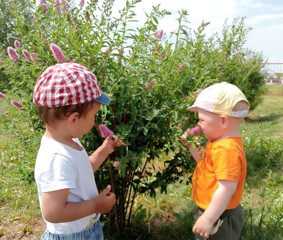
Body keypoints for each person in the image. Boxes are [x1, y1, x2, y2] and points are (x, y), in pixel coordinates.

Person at [33, 63, 122, 240]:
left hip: (87, 230)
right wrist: (96, 205)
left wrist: (103, 151)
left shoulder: (69, 141)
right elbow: (53, 212)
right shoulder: (56, 158)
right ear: (73, 120)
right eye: (93, 116)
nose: (95, 120)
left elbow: (81, 171)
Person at [182, 82, 248, 240]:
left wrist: (208, 219)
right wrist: (192, 145)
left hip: (220, 216)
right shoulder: (218, 143)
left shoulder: (227, 150)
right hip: (213, 210)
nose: (199, 124)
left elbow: (226, 189)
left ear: (223, 121)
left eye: (202, 120)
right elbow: (204, 162)